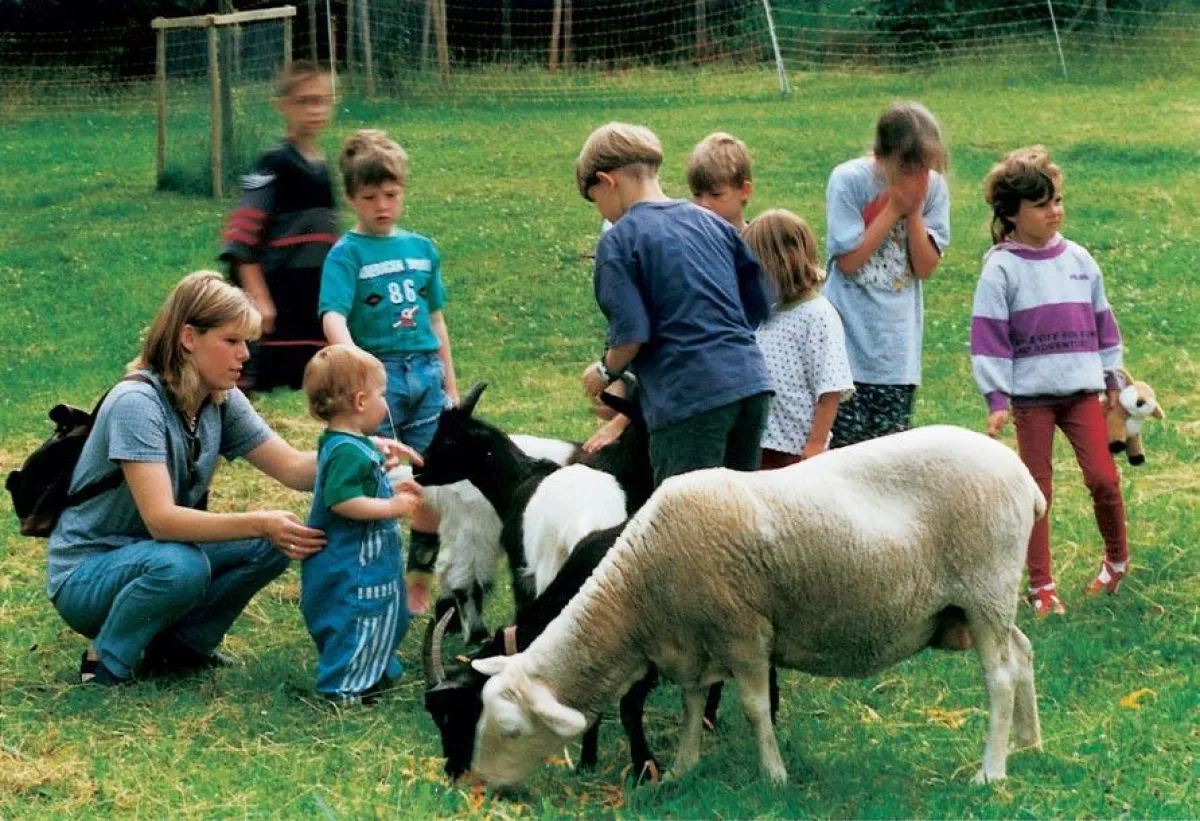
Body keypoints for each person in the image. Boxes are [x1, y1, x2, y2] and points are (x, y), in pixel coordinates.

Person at [47, 272, 328, 686]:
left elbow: (293, 469)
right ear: (189, 338)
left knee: (275, 542)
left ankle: (183, 649)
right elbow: (161, 520)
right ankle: (106, 661)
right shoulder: (136, 403)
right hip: (87, 576)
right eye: (231, 341)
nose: (245, 355)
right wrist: (259, 522)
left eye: (245, 342)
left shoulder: (218, 399)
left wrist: (356, 449)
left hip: (153, 555)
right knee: (184, 565)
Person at [971, 146, 1130, 617]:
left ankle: (1117, 561)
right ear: (1011, 214)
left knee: (1104, 478)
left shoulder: (1080, 260)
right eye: (1042, 205)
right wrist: (996, 396)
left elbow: (1105, 324)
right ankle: (1041, 586)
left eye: (1058, 200)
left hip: (1083, 392)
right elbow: (989, 335)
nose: (1055, 211)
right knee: (1034, 494)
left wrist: (1114, 380)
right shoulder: (1000, 267)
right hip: (1032, 399)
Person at [576, 122, 772, 486]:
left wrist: (604, 372)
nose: (602, 213)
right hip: (751, 387)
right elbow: (757, 305)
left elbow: (631, 335)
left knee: (686, 530)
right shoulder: (713, 224)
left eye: (595, 200)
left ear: (607, 180)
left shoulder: (619, 241)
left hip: (690, 400)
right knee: (736, 523)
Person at [318, 129, 458, 615]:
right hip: (380, 380)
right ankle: (367, 577)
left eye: (391, 195)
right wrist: (356, 364)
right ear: (353, 198)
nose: (382, 205)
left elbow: (436, 320)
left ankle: (418, 580)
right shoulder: (347, 254)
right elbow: (332, 314)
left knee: (431, 482)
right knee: (379, 478)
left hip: (425, 373)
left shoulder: (422, 249)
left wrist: (450, 385)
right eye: (370, 196)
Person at [823, 101, 951, 448]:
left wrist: (912, 213)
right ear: (882, 157)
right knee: (843, 454)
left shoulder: (934, 189)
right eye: (909, 167)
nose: (919, 177)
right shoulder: (848, 181)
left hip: (896, 355)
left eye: (926, 167)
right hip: (845, 349)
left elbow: (924, 266)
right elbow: (849, 262)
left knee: (887, 457)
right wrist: (894, 206)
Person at [300, 344, 423, 704]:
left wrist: (382, 468)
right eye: (381, 394)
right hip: (352, 565)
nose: (386, 402)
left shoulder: (349, 442)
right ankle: (342, 688)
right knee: (357, 618)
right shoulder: (346, 450)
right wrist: (393, 506)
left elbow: (358, 478)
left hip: (370, 562)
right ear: (359, 402)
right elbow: (342, 500)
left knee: (389, 611)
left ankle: (377, 664)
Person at [218, 60, 337, 392]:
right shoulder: (274, 165)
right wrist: (258, 298)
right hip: (275, 302)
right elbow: (242, 242)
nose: (314, 109)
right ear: (282, 105)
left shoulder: (323, 169)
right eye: (304, 101)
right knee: (241, 388)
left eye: (322, 100)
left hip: (309, 304)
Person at [743, 209, 855, 469]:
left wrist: (815, 443)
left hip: (794, 449)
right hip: (758, 442)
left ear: (782, 263)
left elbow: (830, 388)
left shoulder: (817, 315)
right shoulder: (762, 312)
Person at [687, 131, 754, 232]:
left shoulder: (757, 245)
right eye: (697, 195)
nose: (704, 204)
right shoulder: (689, 243)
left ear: (745, 191)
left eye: (715, 195)